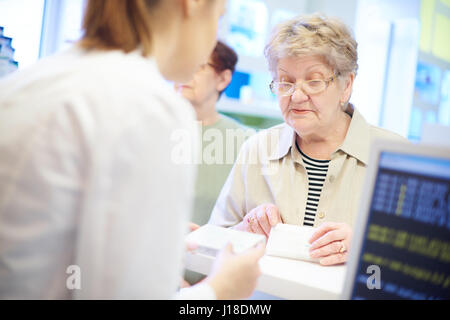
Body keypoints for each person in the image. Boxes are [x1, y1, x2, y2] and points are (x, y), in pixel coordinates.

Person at [0, 0, 264, 300]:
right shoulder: (147, 105)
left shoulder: (36, 80)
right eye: (218, 16)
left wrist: (145, 242)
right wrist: (221, 290)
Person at [208, 14, 407, 266]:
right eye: (285, 82)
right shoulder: (257, 149)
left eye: (314, 81)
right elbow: (212, 245)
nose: (297, 95)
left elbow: (424, 265)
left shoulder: (395, 156)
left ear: (346, 86)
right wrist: (244, 230)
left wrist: (366, 246)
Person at [175, 41, 254, 226]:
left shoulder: (244, 141)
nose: (184, 73)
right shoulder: (154, 129)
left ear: (223, 79)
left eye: (198, 66)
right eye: (180, 64)